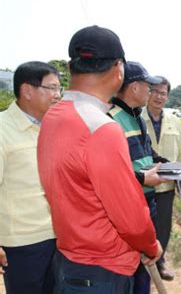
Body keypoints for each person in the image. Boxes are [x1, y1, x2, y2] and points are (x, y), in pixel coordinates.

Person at [37, 25, 162, 293]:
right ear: (119, 70)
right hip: (103, 269)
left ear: (71, 69)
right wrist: (151, 244)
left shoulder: (54, 116)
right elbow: (129, 215)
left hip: (69, 259)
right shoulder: (100, 128)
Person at [0, 61, 61, 293]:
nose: (57, 95)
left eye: (59, 89)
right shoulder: (2, 129)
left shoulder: (52, 127)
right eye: (52, 88)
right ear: (27, 90)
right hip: (22, 242)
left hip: (58, 235)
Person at [107, 61, 168, 294]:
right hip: (127, 206)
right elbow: (108, 173)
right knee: (127, 267)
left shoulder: (137, 118)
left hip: (147, 202)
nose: (151, 92)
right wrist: (142, 180)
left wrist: (171, 166)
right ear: (133, 87)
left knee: (145, 266)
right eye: (148, 87)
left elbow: (147, 154)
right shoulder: (110, 120)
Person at [142, 75, 181, 281]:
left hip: (166, 185)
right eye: (154, 91)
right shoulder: (136, 118)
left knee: (163, 225)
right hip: (141, 184)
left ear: (168, 97)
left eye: (163, 93)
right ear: (147, 92)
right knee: (141, 225)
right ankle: (139, 264)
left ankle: (160, 262)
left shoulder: (174, 121)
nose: (159, 96)